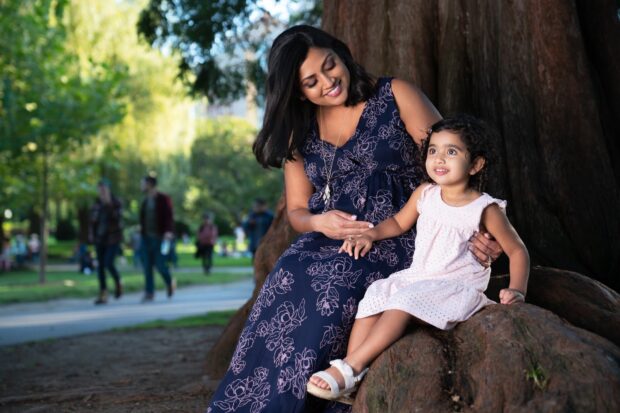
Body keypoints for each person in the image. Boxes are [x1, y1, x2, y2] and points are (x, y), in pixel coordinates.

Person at [206, 26, 502, 413]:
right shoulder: (299, 133)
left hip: (403, 230)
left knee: (339, 281)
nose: (328, 82)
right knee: (288, 275)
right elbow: (297, 209)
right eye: (311, 82)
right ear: (297, 92)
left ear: (341, 54)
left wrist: (475, 226)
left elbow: (454, 159)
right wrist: (319, 223)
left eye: (330, 66)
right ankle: (254, 404)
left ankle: (330, 391)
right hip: (329, 236)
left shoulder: (395, 94)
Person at [306, 115, 530, 403]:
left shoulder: (485, 209)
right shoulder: (426, 193)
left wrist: (518, 290)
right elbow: (399, 223)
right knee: (376, 295)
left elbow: (517, 250)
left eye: (452, 152)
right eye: (433, 150)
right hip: (419, 275)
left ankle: (349, 368)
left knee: (404, 301)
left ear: (476, 164)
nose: (439, 158)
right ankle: (353, 377)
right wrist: (372, 234)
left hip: (455, 286)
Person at [139, 175, 176, 302]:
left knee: (160, 265)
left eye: (143, 183)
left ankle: (170, 282)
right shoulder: (145, 201)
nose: (141, 186)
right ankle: (149, 292)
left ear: (149, 184)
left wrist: (168, 231)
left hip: (160, 237)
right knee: (147, 265)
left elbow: (169, 216)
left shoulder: (163, 199)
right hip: (146, 238)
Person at [89, 179, 124, 304]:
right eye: (100, 189)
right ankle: (103, 293)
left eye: (104, 189)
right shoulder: (96, 205)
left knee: (108, 263)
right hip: (100, 239)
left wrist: (108, 204)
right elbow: (92, 223)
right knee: (100, 267)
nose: (102, 192)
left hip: (113, 239)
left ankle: (118, 282)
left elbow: (117, 219)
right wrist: (91, 236)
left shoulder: (116, 203)